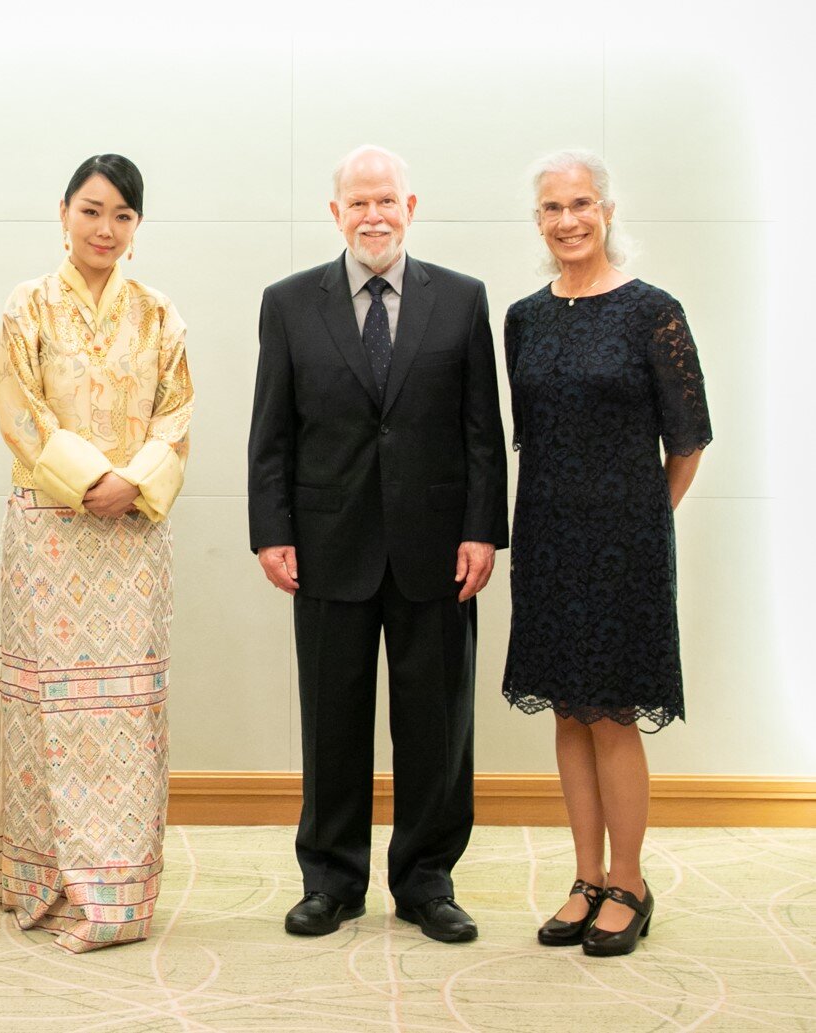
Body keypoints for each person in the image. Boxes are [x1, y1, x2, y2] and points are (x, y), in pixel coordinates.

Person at [247, 145, 506, 943]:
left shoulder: (460, 301)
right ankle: (331, 880)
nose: (372, 215)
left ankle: (426, 880)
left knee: (436, 722)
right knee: (331, 720)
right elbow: (272, 431)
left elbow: (480, 434)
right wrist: (271, 531)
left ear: (410, 205)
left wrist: (481, 530)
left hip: (437, 551)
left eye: (385, 200)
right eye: (357, 202)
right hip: (325, 546)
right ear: (335, 213)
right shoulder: (288, 303)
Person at [0, 154, 193, 953]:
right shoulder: (26, 305)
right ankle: (41, 881)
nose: (104, 229)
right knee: (46, 710)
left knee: (124, 714)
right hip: (50, 527)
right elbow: (18, 410)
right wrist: (88, 478)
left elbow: (177, 416)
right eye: (91, 210)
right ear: (63, 213)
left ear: (136, 229)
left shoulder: (158, 312)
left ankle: (116, 895)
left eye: (122, 216)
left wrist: (130, 481)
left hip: (132, 533)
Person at [504, 150, 710, 957]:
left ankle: (629, 880)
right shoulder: (524, 316)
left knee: (614, 714)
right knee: (565, 708)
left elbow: (687, 441)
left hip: (625, 546)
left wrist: (643, 520)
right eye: (552, 208)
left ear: (607, 211)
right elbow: (529, 435)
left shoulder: (652, 311)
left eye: (580, 203)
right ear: (538, 221)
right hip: (548, 540)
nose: (567, 220)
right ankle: (584, 877)